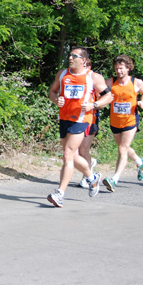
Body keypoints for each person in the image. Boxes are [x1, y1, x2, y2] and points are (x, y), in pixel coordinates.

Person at [47, 47, 112, 207]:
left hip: (82, 119)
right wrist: (56, 100)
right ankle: (92, 177)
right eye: (69, 55)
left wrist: (93, 105)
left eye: (74, 56)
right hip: (64, 118)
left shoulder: (93, 77)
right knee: (74, 157)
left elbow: (109, 96)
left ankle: (59, 194)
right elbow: (52, 91)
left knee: (67, 155)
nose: (70, 58)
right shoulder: (63, 74)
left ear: (83, 60)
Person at [102, 55, 143, 192]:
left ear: (128, 68)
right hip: (115, 121)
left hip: (130, 120)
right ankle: (140, 162)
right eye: (116, 68)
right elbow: (99, 91)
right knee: (124, 148)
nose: (119, 71)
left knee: (122, 148)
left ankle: (114, 179)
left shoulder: (136, 82)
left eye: (121, 68)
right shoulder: (111, 82)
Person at [78, 59, 99, 189]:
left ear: (89, 67)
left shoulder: (94, 80)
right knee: (76, 151)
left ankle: (87, 177)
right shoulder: (74, 78)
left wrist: (92, 105)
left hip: (91, 120)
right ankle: (89, 166)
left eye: (85, 65)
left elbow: (105, 99)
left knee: (83, 150)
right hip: (76, 120)